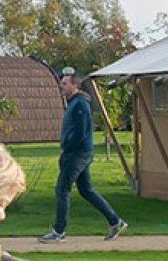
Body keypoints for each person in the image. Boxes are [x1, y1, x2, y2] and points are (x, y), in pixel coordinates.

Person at [39, 67, 126, 243]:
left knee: (62, 189)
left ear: (75, 85)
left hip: (77, 153)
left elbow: (81, 132)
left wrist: (69, 148)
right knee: (86, 190)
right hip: (78, 152)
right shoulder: (73, 103)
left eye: (65, 83)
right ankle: (115, 221)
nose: (61, 86)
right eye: (61, 83)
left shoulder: (80, 104)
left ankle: (59, 230)